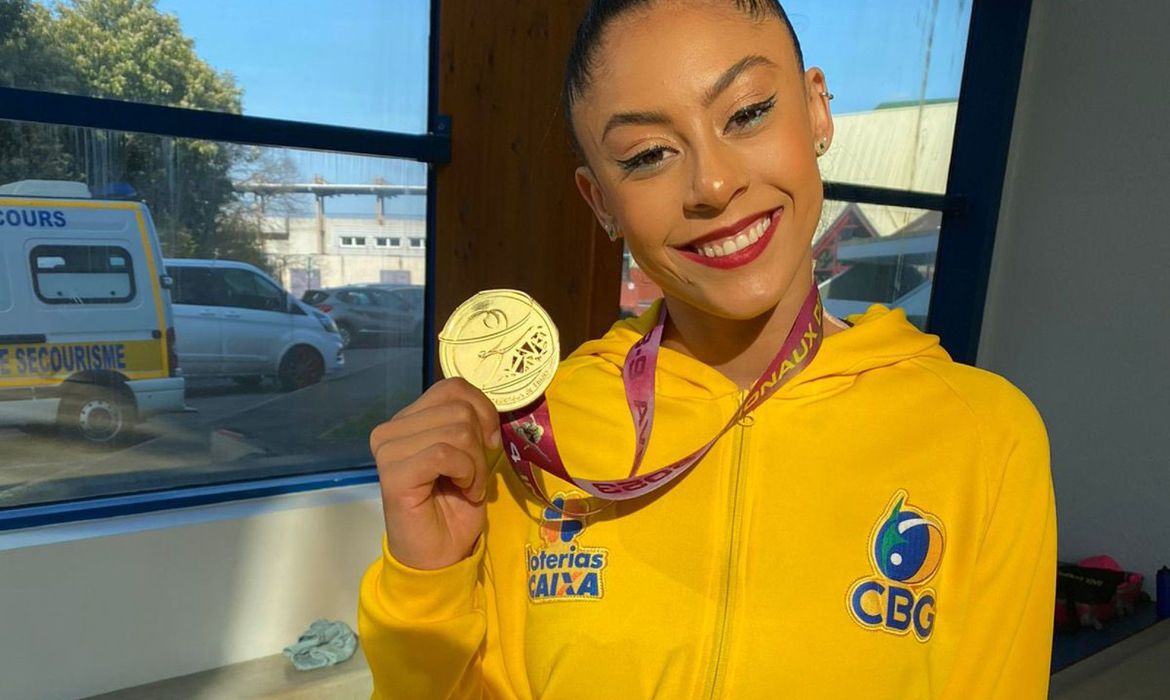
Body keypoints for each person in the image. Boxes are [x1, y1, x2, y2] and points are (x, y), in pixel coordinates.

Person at [358, 1, 1057, 697]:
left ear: (817, 112)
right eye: (648, 155)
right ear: (600, 200)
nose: (713, 185)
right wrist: (426, 586)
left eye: (747, 112)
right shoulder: (540, 438)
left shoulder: (983, 437)